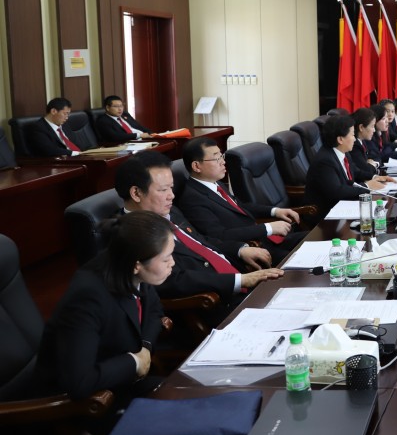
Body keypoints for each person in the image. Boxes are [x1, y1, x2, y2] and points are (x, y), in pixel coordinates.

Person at [115, 151, 282, 312]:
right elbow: (172, 280)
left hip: (240, 275)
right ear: (136, 193)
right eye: (163, 190)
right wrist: (240, 280)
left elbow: (202, 242)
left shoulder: (169, 211)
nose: (171, 196)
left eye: (171, 188)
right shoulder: (127, 234)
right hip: (215, 302)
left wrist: (240, 250)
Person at [35, 211, 170, 401]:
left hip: (124, 381)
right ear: (137, 265)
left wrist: (145, 349)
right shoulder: (88, 297)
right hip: (92, 402)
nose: (172, 263)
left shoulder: (131, 261)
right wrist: (134, 362)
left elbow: (154, 311)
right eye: (166, 259)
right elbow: (79, 382)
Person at [176, 137, 306, 258]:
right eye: (216, 158)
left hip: (266, 239)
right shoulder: (192, 198)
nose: (223, 162)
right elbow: (219, 236)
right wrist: (268, 228)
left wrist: (275, 211)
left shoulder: (215, 182)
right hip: (253, 250)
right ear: (196, 166)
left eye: (222, 156)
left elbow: (239, 207)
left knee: (314, 240)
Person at [305, 115, 387, 217]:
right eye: (352, 135)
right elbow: (337, 191)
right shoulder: (325, 161)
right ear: (340, 139)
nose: (355, 139)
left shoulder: (343, 151)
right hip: (325, 216)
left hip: (344, 206)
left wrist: (375, 177)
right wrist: (367, 186)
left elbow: (355, 171)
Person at [348, 108, 396, 185]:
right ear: (361, 127)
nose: (374, 130)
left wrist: (373, 164)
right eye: (372, 126)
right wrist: (373, 165)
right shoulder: (354, 146)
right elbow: (366, 170)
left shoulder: (362, 141)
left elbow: (377, 157)